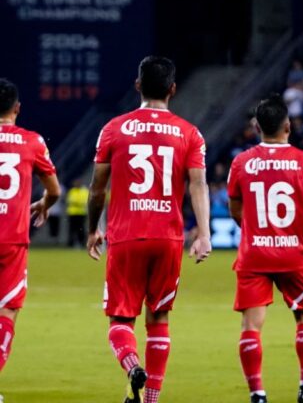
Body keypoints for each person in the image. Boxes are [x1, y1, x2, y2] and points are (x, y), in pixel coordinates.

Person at [86, 56, 212, 403]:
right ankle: (150, 399)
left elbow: (98, 187)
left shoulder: (114, 128)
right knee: (159, 320)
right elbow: (198, 183)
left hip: (126, 235)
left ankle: (131, 366)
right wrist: (204, 233)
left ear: (137, 85)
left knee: (120, 320)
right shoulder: (190, 133)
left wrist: (93, 228)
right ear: (173, 89)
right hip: (168, 237)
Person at [227, 95, 303, 403]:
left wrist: (255, 231)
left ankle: (258, 395)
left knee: (251, 326)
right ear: (288, 126)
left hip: (254, 254)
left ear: (256, 126)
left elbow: (235, 208)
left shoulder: (241, 162)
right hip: (293, 253)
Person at [0, 78, 60, 383]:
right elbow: (55, 190)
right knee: (8, 310)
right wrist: (44, 203)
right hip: (11, 239)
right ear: (18, 108)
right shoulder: (31, 141)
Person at [66, 178, 88, 247]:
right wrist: (78, 203)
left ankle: (81, 243)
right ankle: (71, 243)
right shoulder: (72, 191)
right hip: (72, 213)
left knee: (81, 229)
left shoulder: (84, 191)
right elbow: (69, 201)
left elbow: (85, 201)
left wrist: (76, 203)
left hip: (81, 213)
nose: (77, 184)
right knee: (72, 229)